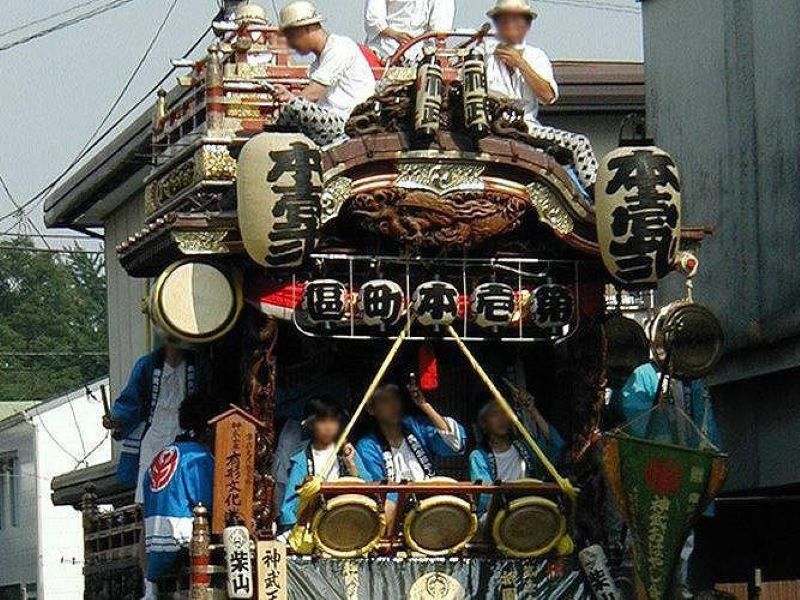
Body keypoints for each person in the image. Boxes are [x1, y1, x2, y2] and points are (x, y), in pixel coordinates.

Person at [483, 0, 598, 189]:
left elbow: (547, 96)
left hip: (526, 128)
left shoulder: (536, 56)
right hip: (492, 125)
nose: (510, 25)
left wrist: (521, 64)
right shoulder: (483, 54)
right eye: (504, 19)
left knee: (579, 144)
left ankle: (595, 198)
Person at [102, 340, 207, 504]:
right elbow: (131, 399)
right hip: (155, 434)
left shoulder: (198, 364)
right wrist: (117, 419)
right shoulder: (147, 365)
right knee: (149, 486)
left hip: (187, 434)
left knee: (185, 483)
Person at [356, 377, 466, 530]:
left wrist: (424, 405)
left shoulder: (416, 426)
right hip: (393, 514)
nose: (393, 405)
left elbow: (455, 444)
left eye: (396, 398)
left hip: (431, 506)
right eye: (385, 400)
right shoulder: (367, 445)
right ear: (371, 409)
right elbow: (378, 489)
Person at [141, 396, 215, 600]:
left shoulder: (160, 456)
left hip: (153, 551)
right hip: (183, 546)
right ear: (208, 427)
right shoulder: (198, 457)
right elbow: (207, 503)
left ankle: (149, 589)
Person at [272, 1, 376, 146]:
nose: (292, 44)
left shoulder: (339, 47)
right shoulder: (317, 64)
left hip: (350, 122)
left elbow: (314, 94)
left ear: (307, 29)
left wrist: (291, 100)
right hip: (332, 120)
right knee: (290, 114)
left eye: (292, 36)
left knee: (294, 108)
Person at [279, 397, 368, 531]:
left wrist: (351, 466)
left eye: (333, 421)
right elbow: (288, 507)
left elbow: (370, 491)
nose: (328, 427)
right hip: (311, 527)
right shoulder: (301, 460)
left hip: (348, 523)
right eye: (322, 421)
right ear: (311, 424)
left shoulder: (347, 453)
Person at [469, 397, 565, 515]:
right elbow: (485, 498)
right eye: (494, 414)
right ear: (483, 423)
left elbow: (558, 445)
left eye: (505, 412)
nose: (502, 418)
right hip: (499, 515)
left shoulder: (525, 447)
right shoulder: (479, 456)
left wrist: (533, 411)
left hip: (529, 508)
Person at [364, 0, 455, 62]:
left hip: (422, 52)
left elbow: (441, 28)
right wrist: (396, 35)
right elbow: (373, 19)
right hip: (386, 49)